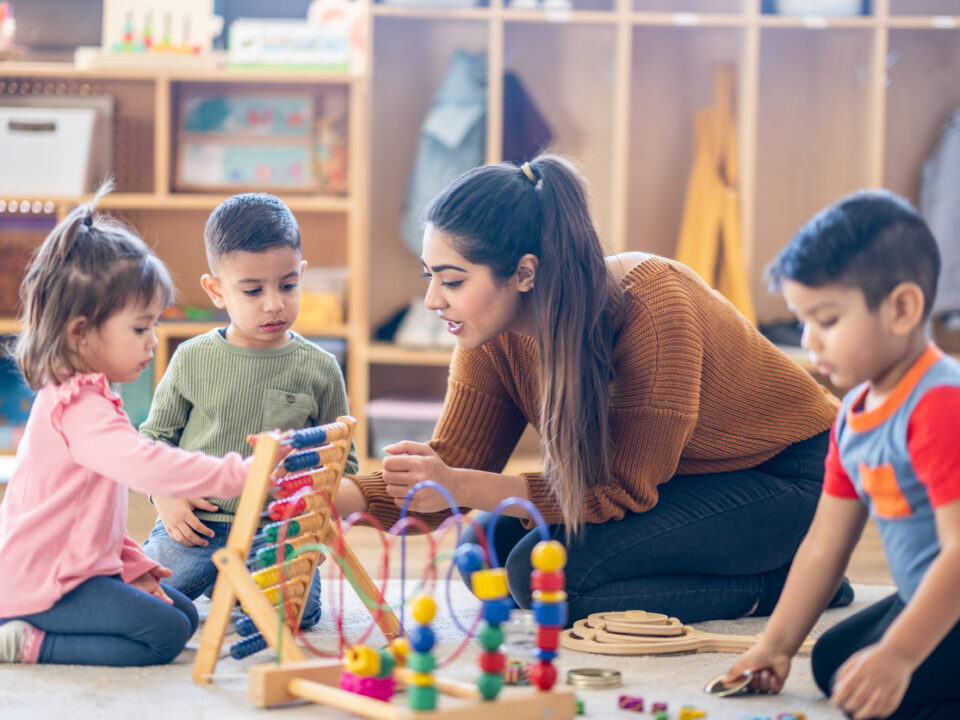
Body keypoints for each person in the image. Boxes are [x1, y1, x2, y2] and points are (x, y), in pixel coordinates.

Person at [335, 154, 847, 624]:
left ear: (524, 273)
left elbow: (616, 491)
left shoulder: (653, 311)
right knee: (485, 554)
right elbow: (450, 467)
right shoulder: (491, 335)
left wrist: (461, 485)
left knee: (549, 582)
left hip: (791, 476)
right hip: (682, 477)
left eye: (452, 281)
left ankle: (786, 583)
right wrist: (336, 499)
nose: (430, 300)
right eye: (430, 277)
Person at [724, 191, 960, 719]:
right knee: (836, 663)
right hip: (931, 596)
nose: (811, 343)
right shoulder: (853, 413)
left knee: (893, 688)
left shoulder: (940, 404)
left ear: (902, 309)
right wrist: (777, 645)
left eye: (827, 321)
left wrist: (899, 654)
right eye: (803, 321)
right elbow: (825, 545)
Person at [0, 185, 254, 666]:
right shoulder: (78, 407)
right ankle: (26, 642)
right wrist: (240, 472)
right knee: (163, 636)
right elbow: (148, 468)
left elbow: (91, 518)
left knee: (180, 614)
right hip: (45, 582)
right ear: (80, 331)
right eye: (141, 328)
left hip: (74, 568)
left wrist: (132, 567)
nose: (154, 341)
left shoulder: (90, 393)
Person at [140, 193, 358, 629]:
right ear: (216, 290)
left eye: (288, 285)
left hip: (275, 533)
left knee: (295, 616)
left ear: (302, 276)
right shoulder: (191, 358)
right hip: (196, 525)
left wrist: (308, 511)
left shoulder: (321, 368)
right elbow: (151, 441)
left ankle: (232, 587)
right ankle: (221, 581)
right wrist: (165, 497)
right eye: (253, 290)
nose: (274, 303)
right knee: (139, 600)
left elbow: (344, 463)